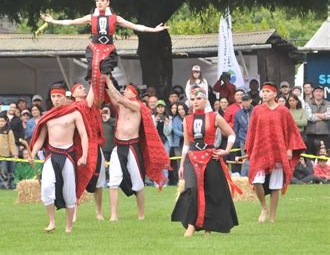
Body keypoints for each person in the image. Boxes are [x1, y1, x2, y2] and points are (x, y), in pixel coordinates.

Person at [41, 0, 168, 105]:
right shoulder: (91, 17)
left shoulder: (115, 18)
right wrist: (53, 21)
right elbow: (71, 21)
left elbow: (134, 26)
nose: (99, 3)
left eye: (102, 1)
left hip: (108, 49)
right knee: (93, 74)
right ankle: (92, 100)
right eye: (97, 1)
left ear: (108, 2)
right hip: (94, 48)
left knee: (105, 74)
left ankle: (108, 98)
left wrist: (154, 30)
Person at [171, 86, 240, 237]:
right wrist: (182, 164)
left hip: (210, 156)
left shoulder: (214, 116)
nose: (195, 102)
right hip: (192, 157)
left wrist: (226, 151)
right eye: (193, 99)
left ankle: (209, 227)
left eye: (199, 98)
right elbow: (186, 144)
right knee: (191, 189)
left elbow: (231, 134)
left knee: (211, 191)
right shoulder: (187, 120)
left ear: (205, 100)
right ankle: (191, 225)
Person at [29, 83, 94, 233]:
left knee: (69, 191)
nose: (56, 99)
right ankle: (52, 222)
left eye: (59, 96)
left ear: (65, 97)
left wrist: (84, 155)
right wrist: (32, 153)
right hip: (52, 155)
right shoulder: (47, 116)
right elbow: (40, 139)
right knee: (46, 188)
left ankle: (69, 226)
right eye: (53, 96)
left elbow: (84, 135)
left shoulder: (75, 113)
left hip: (69, 155)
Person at [104, 75, 169, 221]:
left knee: (138, 183)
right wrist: (103, 81)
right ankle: (114, 215)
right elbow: (111, 96)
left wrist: (109, 82)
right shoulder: (121, 105)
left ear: (134, 93)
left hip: (132, 146)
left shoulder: (138, 106)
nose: (124, 91)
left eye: (127, 90)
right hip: (118, 146)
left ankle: (141, 215)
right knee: (113, 181)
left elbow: (119, 98)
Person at [246, 82, 306, 223]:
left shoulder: (283, 111)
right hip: (260, 151)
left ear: (274, 94)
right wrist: (250, 148)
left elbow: (291, 131)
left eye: (267, 91)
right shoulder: (257, 110)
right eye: (263, 91)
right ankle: (264, 207)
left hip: (279, 151)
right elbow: (252, 131)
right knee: (257, 180)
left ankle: (272, 217)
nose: (265, 94)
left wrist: (290, 149)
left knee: (275, 185)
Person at [71, 83, 107, 220]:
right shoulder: (76, 107)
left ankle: (99, 212)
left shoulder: (91, 106)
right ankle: (73, 213)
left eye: (84, 87)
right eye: (80, 88)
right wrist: (95, 73)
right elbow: (91, 96)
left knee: (99, 181)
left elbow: (95, 98)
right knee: (76, 180)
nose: (83, 89)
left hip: (95, 146)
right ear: (73, 94)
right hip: (79, 148)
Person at [304, 85, 330, 156]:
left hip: (325, 135)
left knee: (325, 156)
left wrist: (315, 114)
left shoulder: (328, 103)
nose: (318, 93)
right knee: (310, 156)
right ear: (313, 93)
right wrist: (322, 116)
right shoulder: (307, 103)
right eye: (317, 91)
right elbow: (309, 117)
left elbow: (328, 116)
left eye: (320, 91)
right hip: (311, 135)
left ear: (323, 93)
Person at [234, 94, 254, 176]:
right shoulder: (238, 114)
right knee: (245, 160)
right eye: (244, 101)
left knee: (255, 159)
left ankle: (255, 178)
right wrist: (237, 141)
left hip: (255, 139)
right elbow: (236, 128)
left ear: (250, 101)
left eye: (247, 100)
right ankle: (244, 178)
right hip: (243, 140)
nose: (245, 102)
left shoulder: (256, 111)